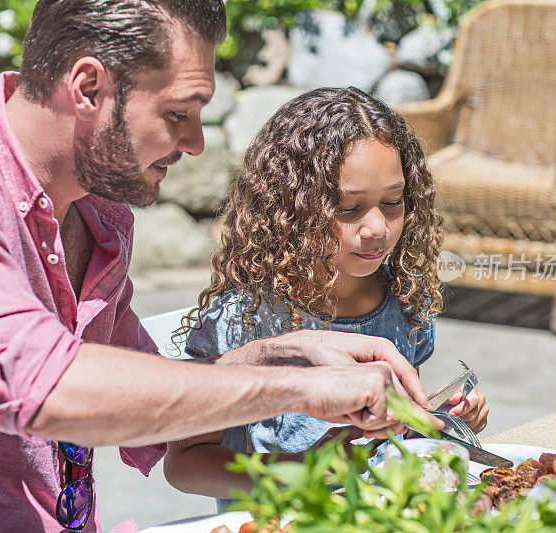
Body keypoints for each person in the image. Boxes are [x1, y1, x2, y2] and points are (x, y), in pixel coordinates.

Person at [0, 2, 437, 532]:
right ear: (88, 88)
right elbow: (43, 386)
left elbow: (152, 392)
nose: (197, 143)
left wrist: (284, 351)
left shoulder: (97, 215)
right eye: (179, 113)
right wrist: (299, 386)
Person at [163, 87, 489, 506]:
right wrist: (310, 469)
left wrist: (441, 419)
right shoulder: (246, 322)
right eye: (348, 208)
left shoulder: (403, 301)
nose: (376, 227)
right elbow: (185, 464)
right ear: (290, 208)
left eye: (392, 201)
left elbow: (393, 434)